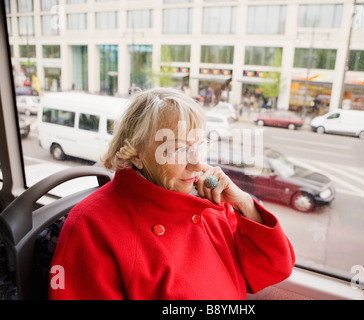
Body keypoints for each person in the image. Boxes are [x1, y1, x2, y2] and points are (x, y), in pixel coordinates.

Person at [49, 87, 295, 300]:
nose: (198, 164)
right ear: (135, 152)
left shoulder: (209, 202)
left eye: (199, 145)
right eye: (178, 149)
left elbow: (275, 269)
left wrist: (244, 203)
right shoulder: (92, 225)